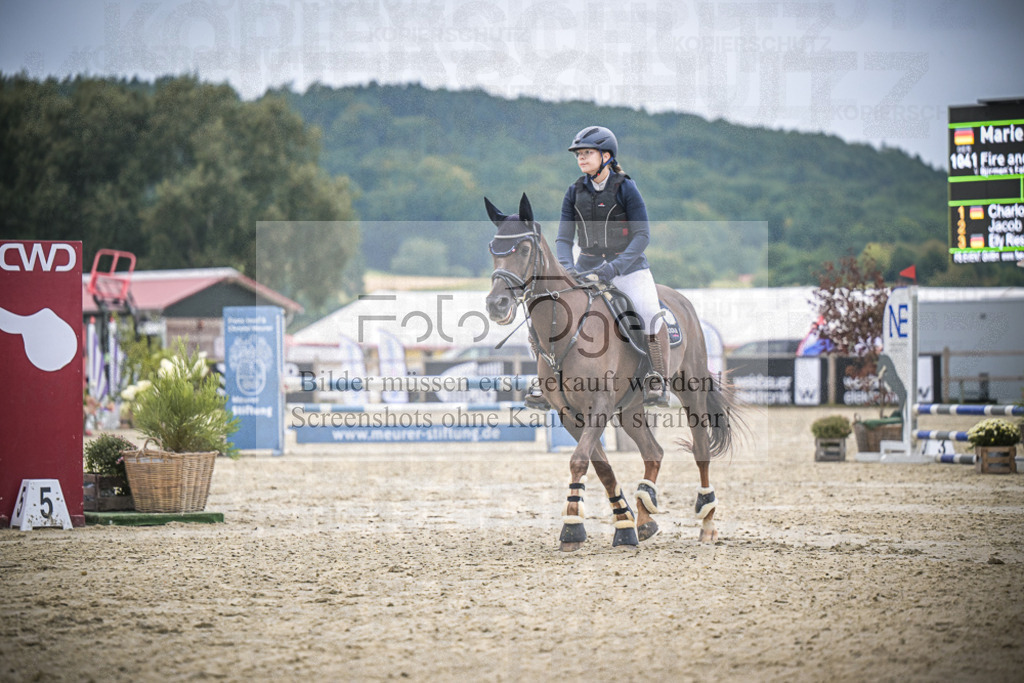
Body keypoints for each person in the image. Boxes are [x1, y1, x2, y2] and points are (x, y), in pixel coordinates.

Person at [525, 125, 669, 409]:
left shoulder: (626, 187)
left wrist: (613, 269)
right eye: (578, 154)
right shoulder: (573, 192)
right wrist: (566, 268)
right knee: (541, 315)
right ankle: (545, 382)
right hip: (585, 266)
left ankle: (657, 378)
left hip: (628, 268)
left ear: (606, 155)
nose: (581, 158)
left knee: (650, 312)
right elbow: (564, 238)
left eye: (587, 153)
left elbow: (642, 236)